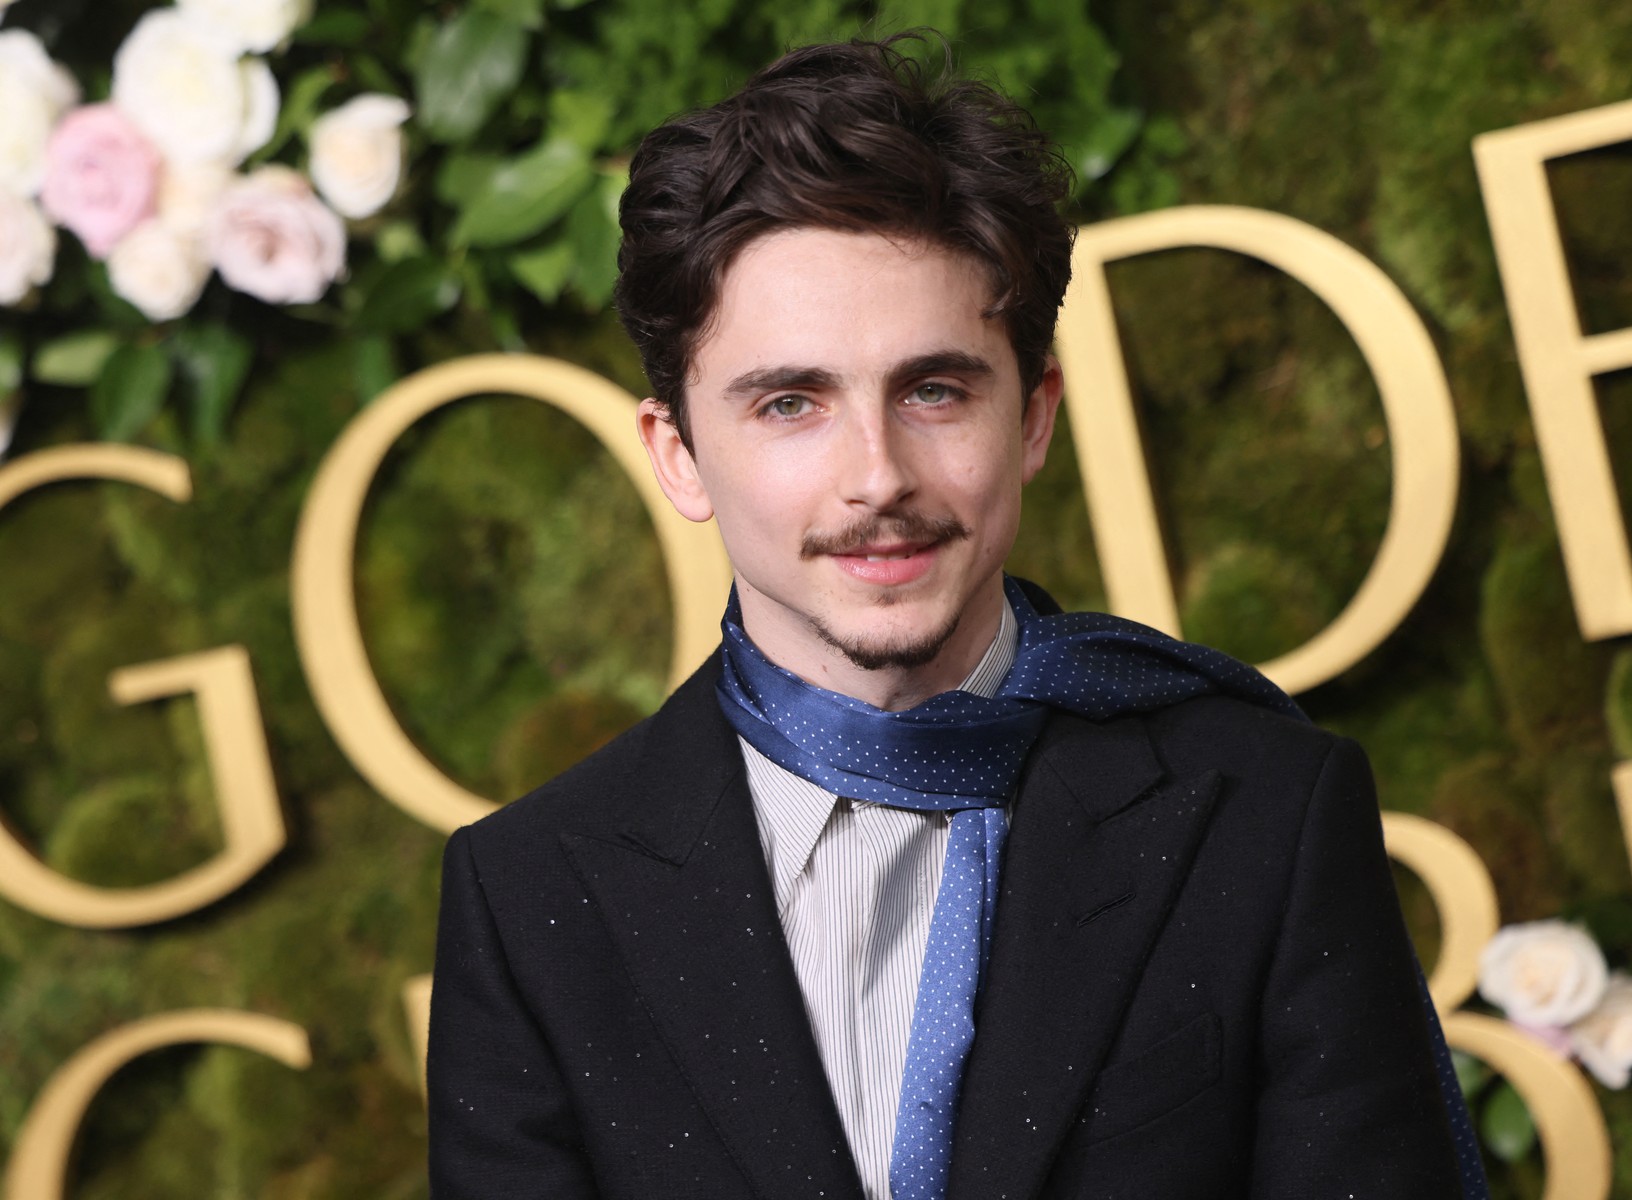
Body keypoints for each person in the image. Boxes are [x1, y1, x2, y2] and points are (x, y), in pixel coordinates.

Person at [426, 33, 1485, 1200]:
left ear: (1032, 418)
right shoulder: (531, 900)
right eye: (790, 403)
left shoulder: (1266, 806)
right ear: (677, 457)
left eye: (933, 390)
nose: (877, 476)